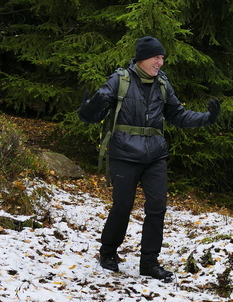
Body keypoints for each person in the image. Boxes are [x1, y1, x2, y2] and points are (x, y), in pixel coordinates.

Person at [77, 36, 221, 281]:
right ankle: (108, 252)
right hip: (123, 153)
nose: (160, 62)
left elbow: (178, 115)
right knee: (122, 206)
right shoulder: (120, 80)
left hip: (155, 156)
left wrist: (206, 118)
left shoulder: (163, 84)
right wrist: (90, 108)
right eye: (157, 57)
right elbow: (93, 113)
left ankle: (149, 263)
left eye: (162, 58)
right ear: (143, 58)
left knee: (157, 208)